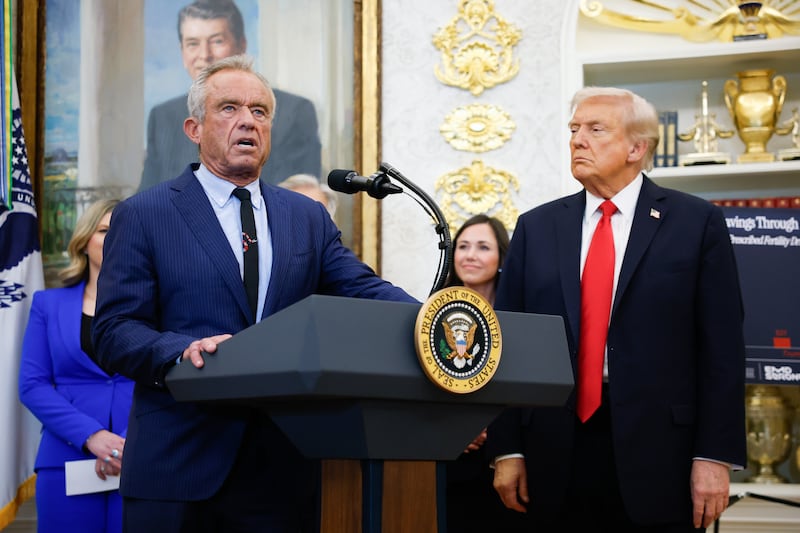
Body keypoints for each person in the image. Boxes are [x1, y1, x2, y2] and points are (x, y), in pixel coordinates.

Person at [92, 54, 417, 533]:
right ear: (194, 128)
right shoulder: (145, 215)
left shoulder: (305, 217)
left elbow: (363, 289)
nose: (247, 121)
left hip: (283, 470)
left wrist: (436, 317)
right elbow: (113, 331)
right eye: (229, 109)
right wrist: (179, 350)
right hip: (179, 466)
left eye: (260, 111)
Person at [487, 87, 746, 532]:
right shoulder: (536, 227)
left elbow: (721, 349)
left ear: (636, 147)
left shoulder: (696, 223)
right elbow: (508, 346)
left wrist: (713, 457)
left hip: (662, 452)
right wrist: (507, 449)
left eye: (595, 129)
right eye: (574, 129)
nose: (577, 140)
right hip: (552, 447)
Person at [19, 198, 133, 533]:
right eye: (104, 231)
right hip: (66, 457)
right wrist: (92, 436)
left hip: (139, 457)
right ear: (83, 241)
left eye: (124, 232)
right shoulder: (48, 304)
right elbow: (32, 385)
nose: (114, 239)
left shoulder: (157, 306)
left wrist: (129, 443)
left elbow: (164, 377)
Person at [139, 0, 321, 191]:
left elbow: (301, 199)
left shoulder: (294, 112)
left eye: (217, 41)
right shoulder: (163, 117)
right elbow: (147, 198)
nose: (204, 55)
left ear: (241, 44)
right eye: (192, 43)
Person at [441, 214, 527, 532]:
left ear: (502, 258)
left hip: (506, 461)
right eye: (462, 246)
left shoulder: (519, 320)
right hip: (449, 461)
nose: (470, 255)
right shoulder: (431, 317)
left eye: (482, 247)